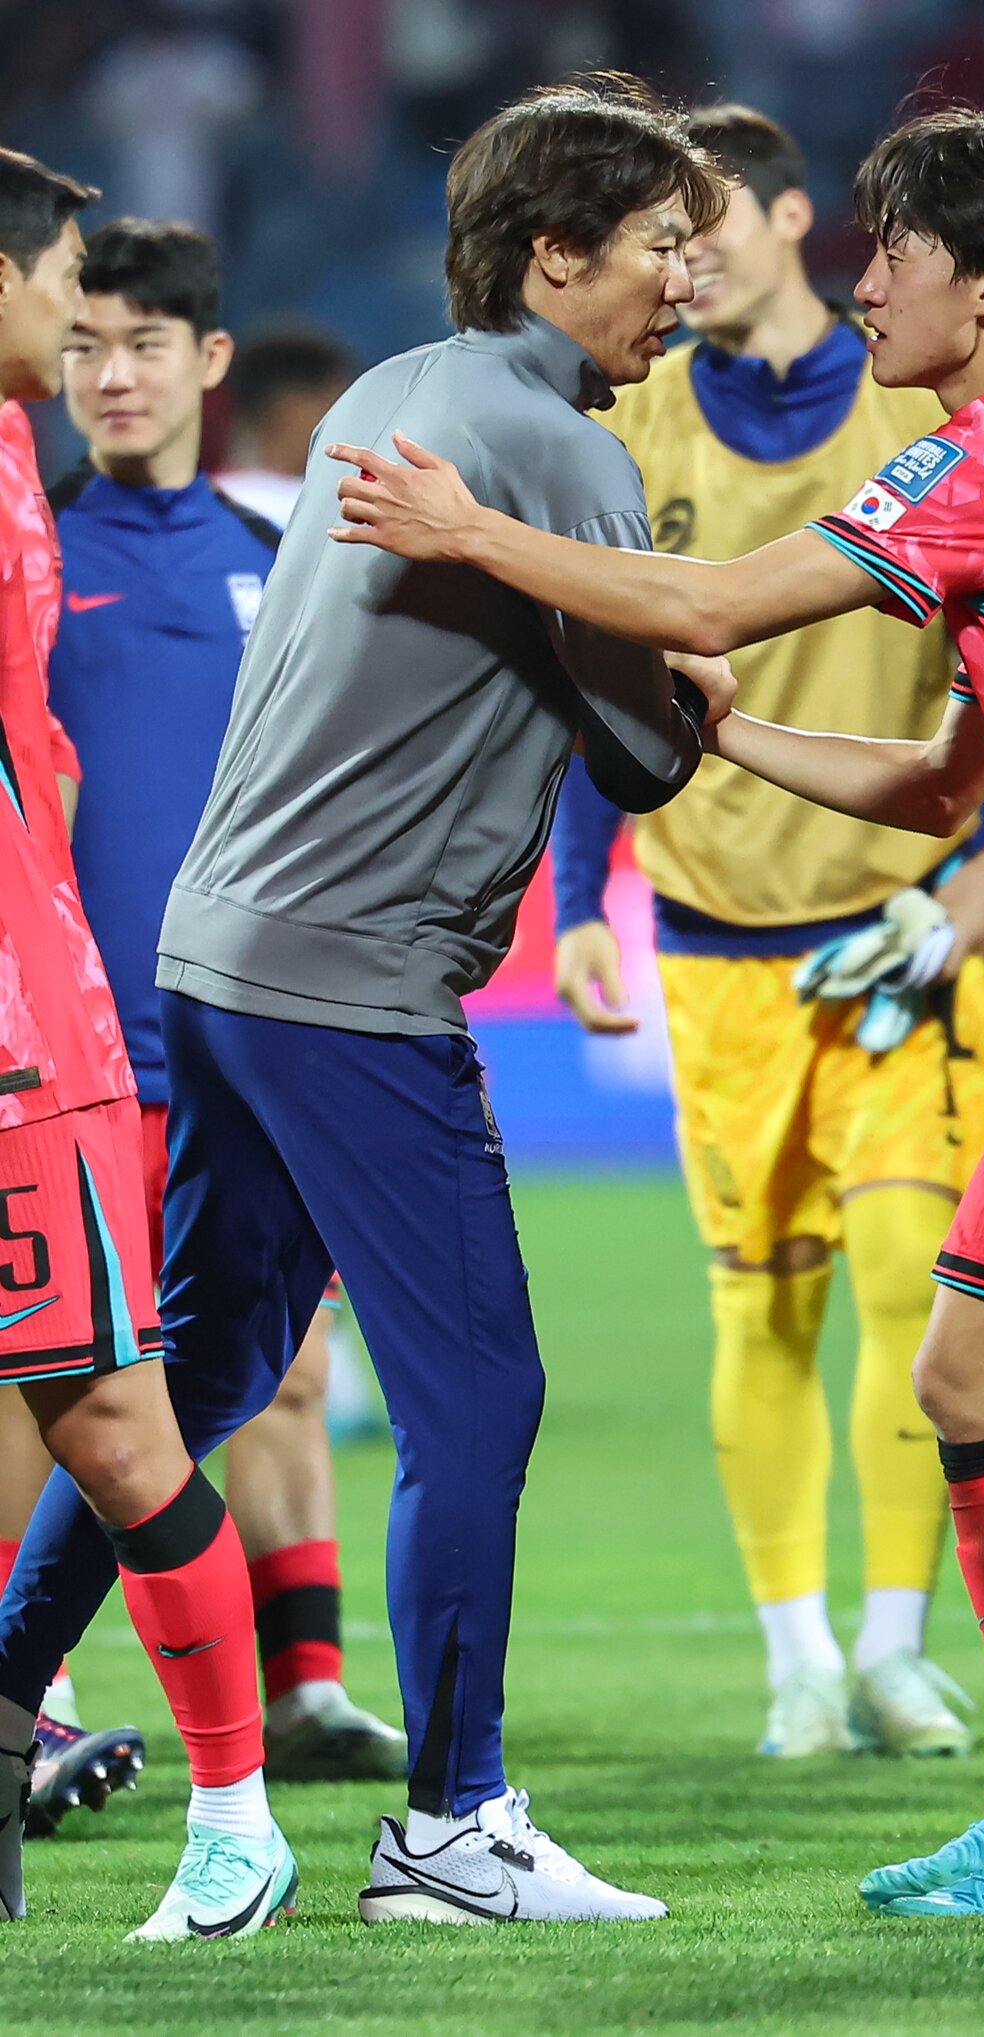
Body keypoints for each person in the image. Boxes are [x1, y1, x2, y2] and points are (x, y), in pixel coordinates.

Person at [329, 103, 984, 1915]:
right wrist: (718, 731)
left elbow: (710, 591)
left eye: (898, 254)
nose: (866, 282)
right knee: (963, 1375)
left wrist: (473, 531)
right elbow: (946, 788)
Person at [0, 75, 733, 1928]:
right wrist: (676, 690)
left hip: (221, 960)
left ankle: (3, 1689)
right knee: (478, 1393)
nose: (686, 285)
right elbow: (648, 754)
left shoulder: (383, 395)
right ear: (553, 251)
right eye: (659, 245)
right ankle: (453, 1828)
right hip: (355, 988)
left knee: (213, 1363)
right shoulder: (561, 448)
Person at [550, 101, 984, 1759]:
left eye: (701, 227)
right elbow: (597, 673)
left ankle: (897, 1643)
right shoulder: (639, 425)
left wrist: (980, 864)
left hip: (897, 923)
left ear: (781, 217)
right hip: (708, 924)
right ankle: (794, 1663)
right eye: (656, 241)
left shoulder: (914, 417)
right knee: (755, 1300)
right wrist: (572, 903)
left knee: (916, 1270)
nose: (677, 265)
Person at [42, 217, 404, 1792]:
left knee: (286, 1367)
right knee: (50, 1384)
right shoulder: (31, 556)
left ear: (207, 364)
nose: (112, 377)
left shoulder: (279, 564)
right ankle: (34, 1689)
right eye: (85, 348)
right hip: (71, 1052)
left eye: (143, 348)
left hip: (241, 1040)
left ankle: (310, 1686)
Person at [0, 146, 292, 1941]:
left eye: (127, 315)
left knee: (120, 1417)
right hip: (60, 1026)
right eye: (60, 286)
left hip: (53, 1037)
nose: (79, 325)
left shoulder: (20, 484)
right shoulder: (36, 493)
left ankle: (236, 1815)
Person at [214, 323, 356, 529]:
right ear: (290, 410)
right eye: (334, 402)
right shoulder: (332, 513)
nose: (350, 422)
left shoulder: (201, 503)